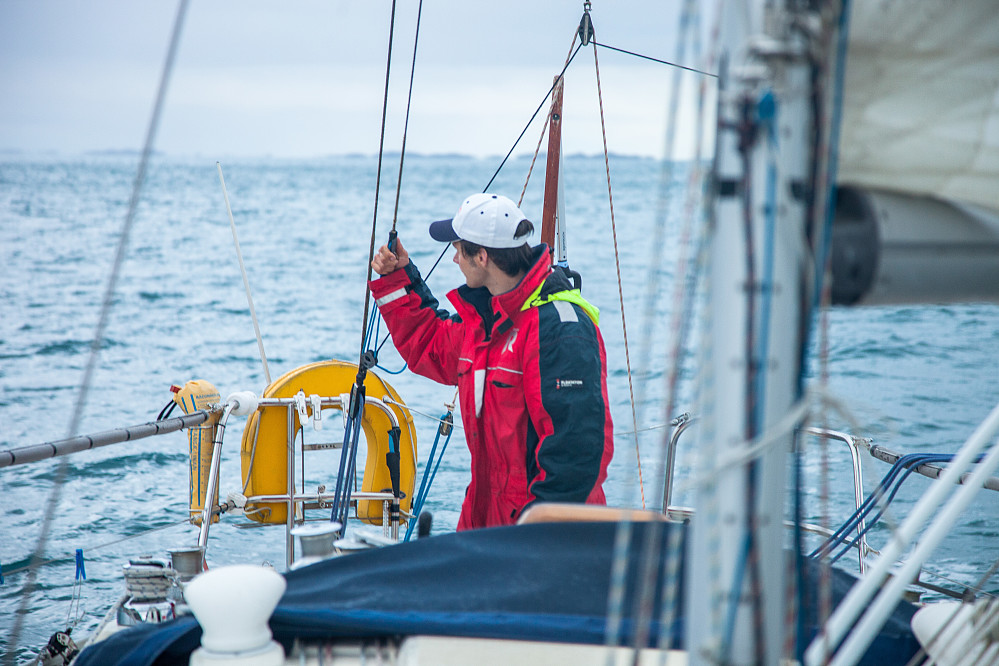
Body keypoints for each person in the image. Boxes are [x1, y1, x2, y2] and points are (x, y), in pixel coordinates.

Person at [369, 192, 614, 530]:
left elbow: (576, 454)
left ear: (481, 256)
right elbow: (429, 343)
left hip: (538, 533)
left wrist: (538, 536)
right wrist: (398, 279)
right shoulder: (487, 322)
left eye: (458, 250)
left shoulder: (560, 330)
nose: (455, 260)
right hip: (485, 522)